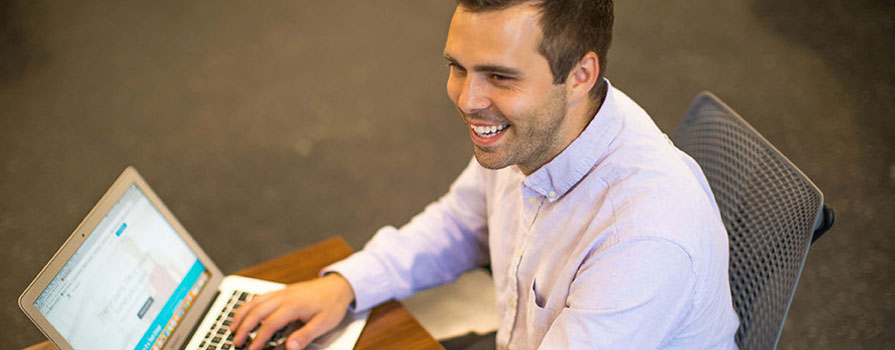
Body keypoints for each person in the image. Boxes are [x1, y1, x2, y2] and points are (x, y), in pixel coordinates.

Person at [231, 0, 741, 349]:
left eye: (499, 76)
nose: (468, 101)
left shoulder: (645, 235)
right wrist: (347, 284)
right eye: (458, 66)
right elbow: (461, 223)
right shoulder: (540, 127)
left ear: (580, 75)